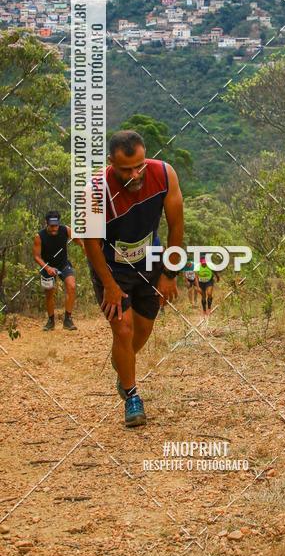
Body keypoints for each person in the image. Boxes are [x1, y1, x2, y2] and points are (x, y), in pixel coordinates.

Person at [84, 130, 184, 428]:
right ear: (111, 163)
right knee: (123, 329)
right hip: (112, 266)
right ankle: (131, 396)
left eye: (139, 166)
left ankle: (122, 362)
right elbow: (91, 243)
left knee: (143, 328)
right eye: (126, 169)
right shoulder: (95, 191)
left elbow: (176, 225)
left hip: (151, 259)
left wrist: (169, 273)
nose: (135, 174)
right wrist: (109, 285)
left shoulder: (164, 174)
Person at [33, 211, 84, 331]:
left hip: (63, 264)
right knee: (49, 292)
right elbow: (36, 256)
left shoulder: (66, 230)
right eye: (51, 226)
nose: (54, 228)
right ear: (46, 223)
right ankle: (51, 321)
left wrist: (83, 246)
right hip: (47, 266)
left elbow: (77, 239)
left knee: (72, 286)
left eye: (56, 225)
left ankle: (68, 320)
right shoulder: (39, 236)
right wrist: (47, 268)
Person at [196, 252, 217, 318]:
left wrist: (217, 277)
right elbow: (196, 277)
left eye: (205, 263)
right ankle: (204, 310)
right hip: (201, 282)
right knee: (203, 296)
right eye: (203, 263)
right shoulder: (197, 266)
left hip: (209, 281)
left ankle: (209, 308)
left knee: (209, 293)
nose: (204, 264)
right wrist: (198, 287)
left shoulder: (210, 265)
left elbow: (215, 271)